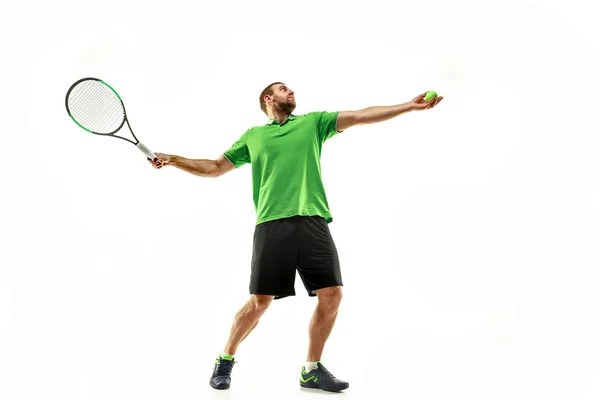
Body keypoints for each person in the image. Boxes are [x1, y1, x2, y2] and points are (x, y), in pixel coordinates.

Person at [148, 82, 443, 392]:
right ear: (268, 98)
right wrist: (174, 159)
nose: (291, 92)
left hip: (313, 219)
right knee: (261, 301)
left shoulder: (313, 123)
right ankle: (225, 359)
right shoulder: (254, 136)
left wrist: (408, 106)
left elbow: (360, 116)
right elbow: (215, 167)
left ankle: (312, 369)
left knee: (332, 295)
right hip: (272, 224)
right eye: (283, 89)